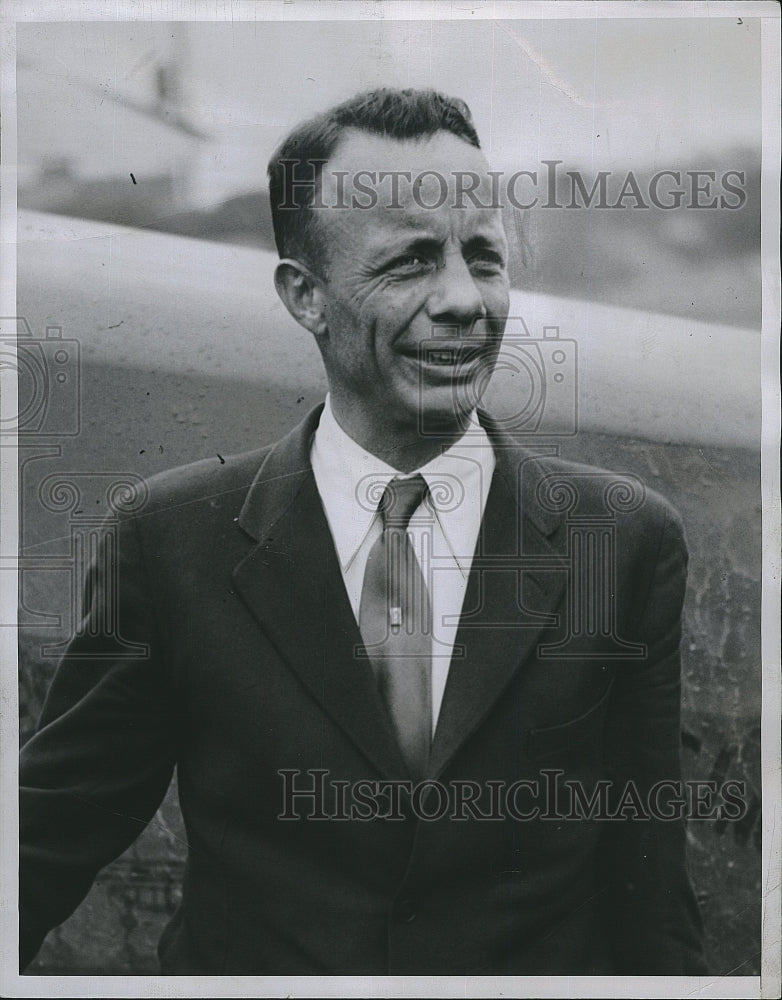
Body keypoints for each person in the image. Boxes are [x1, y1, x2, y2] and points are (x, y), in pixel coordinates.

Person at [19, 88, 707, 976]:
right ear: (306, 296)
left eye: (484, 257)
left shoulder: (620, 542)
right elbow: (42, 845)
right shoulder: (170, 540)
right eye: (410, 263)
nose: (464, 300)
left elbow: (650, 901)